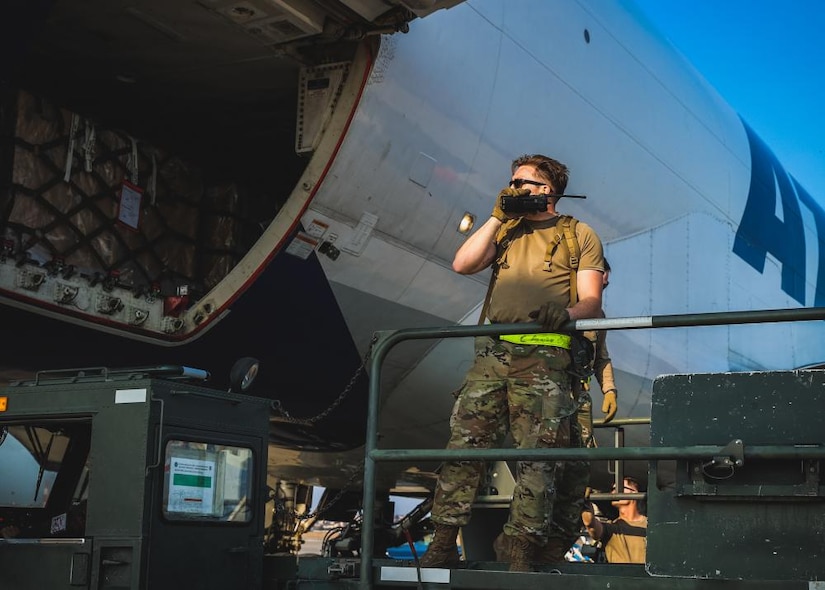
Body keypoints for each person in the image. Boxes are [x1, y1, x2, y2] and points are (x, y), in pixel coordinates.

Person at [418, 154, 605, 572]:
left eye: (524, 183)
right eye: (512, 182)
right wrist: (495, 216)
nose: (515, 188)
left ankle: (519, 546)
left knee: (538, 460)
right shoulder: (505, 229)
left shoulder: (579, 234)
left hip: (544, 360)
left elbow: (592, 301)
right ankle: (443, 542)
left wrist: (567, 314)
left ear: (548, 190)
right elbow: (463, 264)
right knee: (463, 450)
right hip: (492, 356)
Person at [582, 476, 647, 564]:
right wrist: (584, 501)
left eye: (618, 488)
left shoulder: (652, 525)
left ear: (634, 491)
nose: (613, 492)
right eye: (613, 489)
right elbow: (590, 523)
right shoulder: (611, 529)